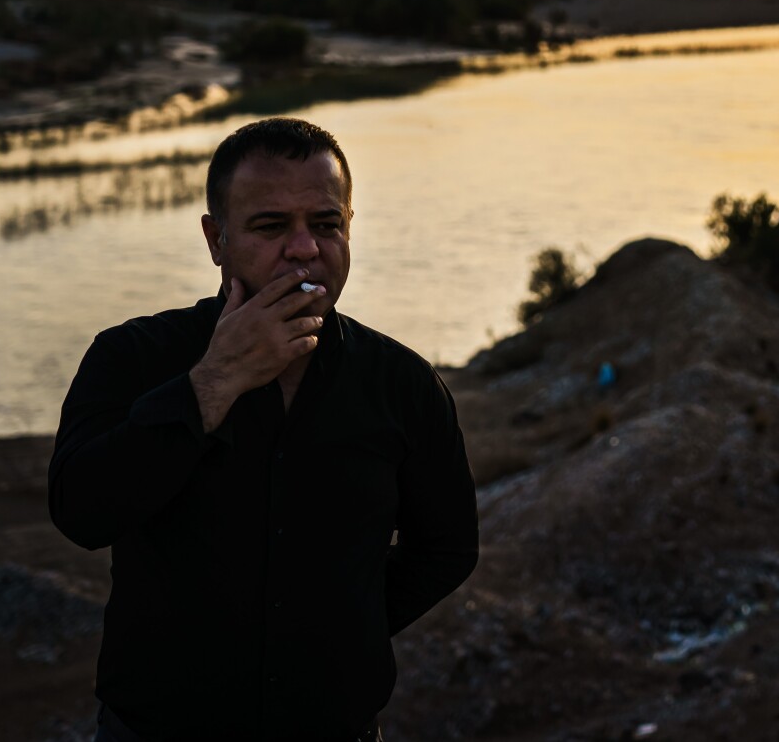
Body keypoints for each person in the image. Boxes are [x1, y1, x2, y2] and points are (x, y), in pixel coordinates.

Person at [50, 117, 478, 742]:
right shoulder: (131, 358)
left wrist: (336, 628)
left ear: (349, 228)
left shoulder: (404, 384)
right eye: (272, 226)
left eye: (326, 224)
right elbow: (80, 512)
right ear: (215, 239)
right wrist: (212, 383)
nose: (304, 248)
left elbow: (448, 548)